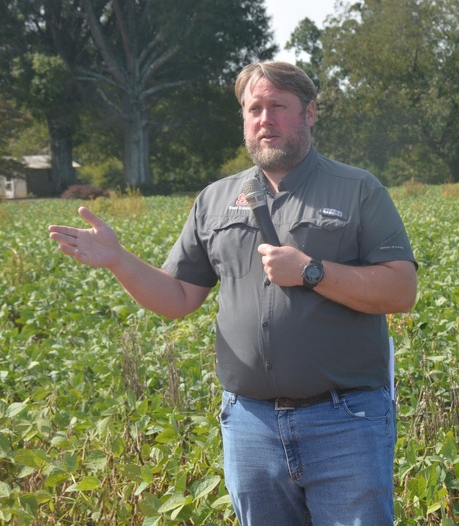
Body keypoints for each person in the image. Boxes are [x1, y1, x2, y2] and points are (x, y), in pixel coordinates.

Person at [48, 61, 418, 526]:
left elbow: (402, 290)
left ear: (310, 113)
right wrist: (119, 259)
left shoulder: (358, 189)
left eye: (278, 107)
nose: (265, 119)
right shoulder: (216, 199)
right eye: (254, 108)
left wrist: (311, 271)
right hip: (251, 426)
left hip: (344, 422)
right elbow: (179, 297)